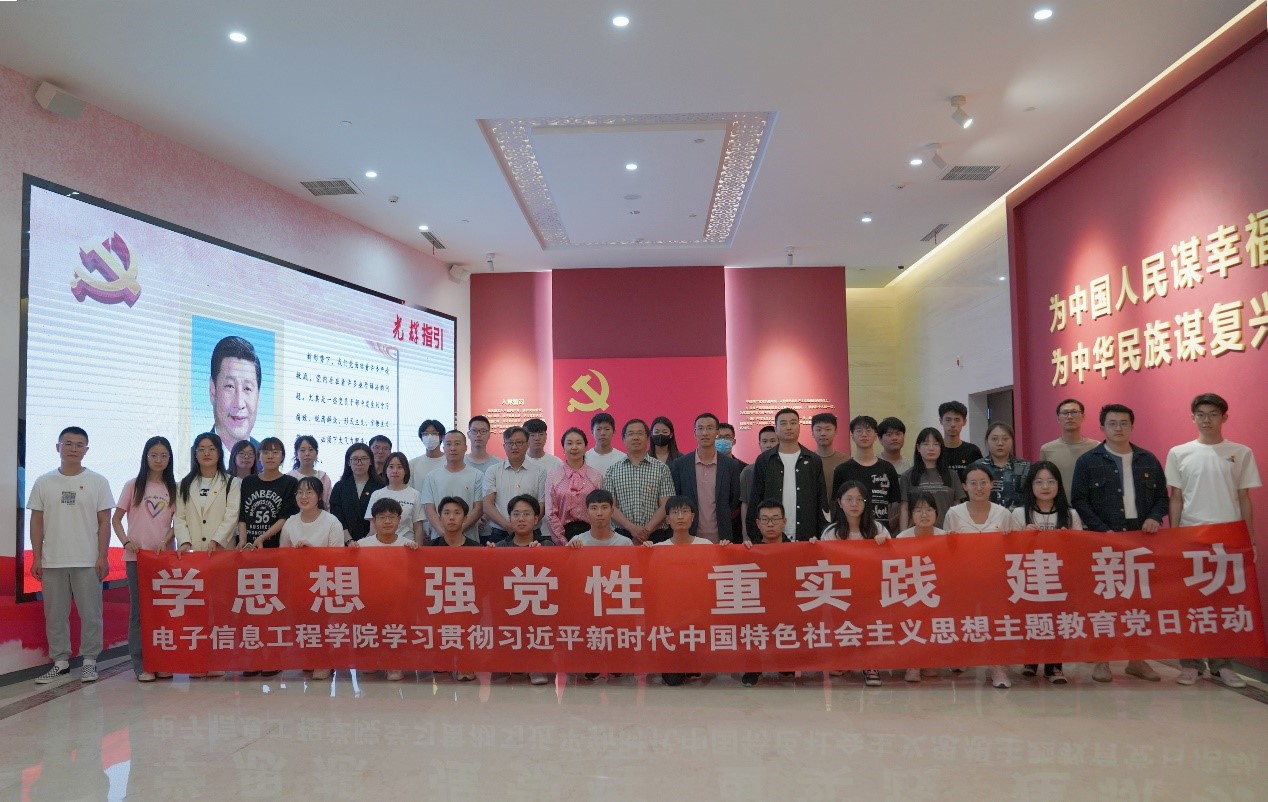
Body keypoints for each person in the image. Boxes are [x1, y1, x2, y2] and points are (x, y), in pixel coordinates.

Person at [1166, 392, 1261, 689]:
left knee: (1225, 604)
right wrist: (1175, 537)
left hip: (1229, 538)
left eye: (1213, 414)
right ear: (1193, 418)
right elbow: (1176, 498)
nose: (1206, 420)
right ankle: (1190, 664)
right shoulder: (1179, 453)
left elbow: (1244, 498)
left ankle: (1223, 666)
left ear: (1224, 417)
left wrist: (1250, 540)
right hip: (1192, 537)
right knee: (1191, 603)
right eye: (1201, 415)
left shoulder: (1240, 452)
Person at [1069, 403, 1167, 684]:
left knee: (1139, 602)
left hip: (1140, 538)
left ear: (1132, 426)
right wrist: (1103, 530)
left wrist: (1155, 517)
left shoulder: (1147, 459)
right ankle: (1102, 659)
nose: (1118, 428)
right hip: (1103, 541)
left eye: (1124, 423)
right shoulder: (1088, 461)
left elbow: (1162, 497)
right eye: (1112, 423)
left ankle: (1138, 660)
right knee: (1105, 602)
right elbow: (1079, 500)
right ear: (1102, 427)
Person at [29, 426, 114, 684]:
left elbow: (104, 522)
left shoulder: (98, 481)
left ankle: (89, 662)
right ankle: (61, 662)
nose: (73, 449)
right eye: (68, 444)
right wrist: (37, 557)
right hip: (52, 560)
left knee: (91, 614)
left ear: (86, 450)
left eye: (79, 445)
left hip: (87, 560)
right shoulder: (44, 481)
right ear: (58, 447)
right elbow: (36, 522)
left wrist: (102, 556)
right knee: (55, 614)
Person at [111, 436, 177, 682]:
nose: (158, 460)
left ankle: (162, 661)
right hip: (136, 558)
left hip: (163, 560)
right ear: (145, 457)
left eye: (163, 455)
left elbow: (178, 523)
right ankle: (142, 665)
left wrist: (166, 540)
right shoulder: (133, 485)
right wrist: (126, 542)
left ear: (169, 459)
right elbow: (116, 519)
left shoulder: (174, 488)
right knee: (139, 612)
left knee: (163, 612)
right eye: (153, 455)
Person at [1011, 462, 1082, 685]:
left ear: (1059, 485)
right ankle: (1030, 661)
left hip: (1059, 578)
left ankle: (1054, 666)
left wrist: (1068, 539)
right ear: (1030, 485)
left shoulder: (1070, 514)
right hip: (1029, 577)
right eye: (1039, 482)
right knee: (1032, 619)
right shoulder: (1019, 513)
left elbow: (1080, 548)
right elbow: (1010, 550)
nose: (1045, 487)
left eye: (1051, 481)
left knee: (1057, 620)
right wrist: (1023, 536)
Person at [943, 463, 1013, 689]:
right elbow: (946, 549)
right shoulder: (954, 513)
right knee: (964, 619)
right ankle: (962, 657)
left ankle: (997, 667)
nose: (979, 487)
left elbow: (1014, 547)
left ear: (992, 485)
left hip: (996, 580)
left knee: (995, 623)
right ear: (964, 486)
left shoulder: (1003, 514)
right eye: (973, 483)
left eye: (983, 482)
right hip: (963, 580)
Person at [351, 497, 418, 682]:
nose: (387, 521)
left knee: (396, 624)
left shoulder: (408, 545)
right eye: (382, 517)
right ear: (374, 520)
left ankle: (394, 662)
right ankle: (371, 658)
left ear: (399, 520)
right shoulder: (361, 545)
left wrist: (414, 554)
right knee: (367, 669)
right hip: (369, 602)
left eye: (392, 517)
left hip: (398, 603)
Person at [646, 496, 711, 687]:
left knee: (696, 668)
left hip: (697, 617)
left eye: (685, 512)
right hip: (669, 620)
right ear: (667, 519)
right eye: (675, 513)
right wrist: (645, 554)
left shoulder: (706, 546)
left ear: (693, 517)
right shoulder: (657, 549)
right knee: (673, 680)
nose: (680, 517)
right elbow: (651, 587)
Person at [746, 409, 828, 541]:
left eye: (793, 423)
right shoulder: (765, 460)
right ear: (776, 429)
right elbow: (755, 499)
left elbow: (821, 500)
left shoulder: (813, 460)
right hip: (772, 538)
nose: (789, 427)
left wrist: (822, 534)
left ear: (799, 427)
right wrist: (756, 537)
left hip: (807, 537)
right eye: (783, 423)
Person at [737, 499, 792, 687]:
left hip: (787, 607)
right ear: (758, 523)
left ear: (784, 522)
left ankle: (786, 660)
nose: (770, 524)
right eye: (765, 519)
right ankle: (753, 667)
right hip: (758, 607)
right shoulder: (749, 551)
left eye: (775, 519)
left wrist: (813, 546)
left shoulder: (798, 549)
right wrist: (726, 547)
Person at [669, 412, 742, 543]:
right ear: (694, 433)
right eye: (700, 428)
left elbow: (733, 499)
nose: (705, 433)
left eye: (709, 428)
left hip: (722, 537)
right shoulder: (680, 464)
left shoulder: (731, 465)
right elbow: (676, 497)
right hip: (689, 535)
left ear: (717, 433)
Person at [605, 419, 675, 543]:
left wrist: (646, 531)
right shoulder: (612, 471)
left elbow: (666, 504)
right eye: (631, 434)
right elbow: (610, 506)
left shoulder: (662, 469)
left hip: (655, 535)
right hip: (621, 535)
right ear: (623, 439)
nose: (635, 437)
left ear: (648, 438)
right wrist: (632, 528)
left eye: (640, 433)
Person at [832, 416, 901, 534]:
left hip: (881, 532)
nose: (864, 435)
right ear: (852, 436)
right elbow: (837, 505)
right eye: (859, 431)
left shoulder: (887, 468)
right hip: (850, 533)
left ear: (875, 435)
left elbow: (894, 505)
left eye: (868, 431)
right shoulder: (842, 470)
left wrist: (887, 528)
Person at [175, 432, 241, 553]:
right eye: (201, 449)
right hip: (192, 550)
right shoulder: (184, 484)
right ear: (195, 454)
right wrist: (184, 542)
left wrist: (217, 540)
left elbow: (232, 515)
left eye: (211, 449)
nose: (206, 453)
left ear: (219, 453)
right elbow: (179, 518)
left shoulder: (231, 483)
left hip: (221, 550)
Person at [481, 426, 548, 544]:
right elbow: (487, 505)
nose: (514, 447)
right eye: (510, 443)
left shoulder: (540, 471)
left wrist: (526, 527)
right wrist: (508, 526)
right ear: (504, 446)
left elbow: (542, 504)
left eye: (519, 443)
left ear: (527, 445)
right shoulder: (493, 471)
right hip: (500, 533)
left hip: (531, 534)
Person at [544, 427, 604, 545]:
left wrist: (595, 537)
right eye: (569, 443)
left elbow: (601, 509)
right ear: (563, 447)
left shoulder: (596, 476)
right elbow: (550, 513)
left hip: (592, 535)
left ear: (585, 447)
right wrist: (563, 541)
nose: (574, 447)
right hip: (562, 535)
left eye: (579, 443)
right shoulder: (554, 476)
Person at [420, 431, 483, 542]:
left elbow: (478, 508)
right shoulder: (431, 477)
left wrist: (457, 532)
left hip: (469, 541)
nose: (453, 448)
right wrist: (444, 532)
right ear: (443, 448)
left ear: (465, 448)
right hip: (440, 539)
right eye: (448, 444)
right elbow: (429, 509)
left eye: (457, 444)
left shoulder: (477, 475)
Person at [238, 437, 298, 550]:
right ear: (259, 456)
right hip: (249, 546)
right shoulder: (248, 481)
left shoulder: (290, 483)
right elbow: (242, 515)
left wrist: (263, 537)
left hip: (277, 546)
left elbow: (285, 517)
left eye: (275, 452)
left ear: (282, 457)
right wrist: (242, 540)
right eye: (265, 452)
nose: (270, 456)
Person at [898, 428, 964, 530]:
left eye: (936, 444)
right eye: (926, 444)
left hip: (947, 531)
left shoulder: (952, 475)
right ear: (918, 447)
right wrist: (903, 534)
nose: (931, 448)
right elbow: (904, 509)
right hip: (918, 533)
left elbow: (958, 507)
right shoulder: (907, 476)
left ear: (941, 448)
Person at [208, 335, 261, 453]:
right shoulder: (189, 458)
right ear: (212, 390)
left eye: (247, 388)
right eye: (230, 386)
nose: (239, 403)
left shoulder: (268, 460)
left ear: (258, 397)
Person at [1039, 399, 1099, 502]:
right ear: (1058, 418)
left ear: (1083, 417)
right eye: (1065, 413)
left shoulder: (1096, 447)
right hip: (1059, 506)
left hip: (1090, 506)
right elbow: (1043, 481)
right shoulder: (1047, 449)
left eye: (1074, 412)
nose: (1070, 417)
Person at [329, 443, 384, 544]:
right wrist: (349, 540)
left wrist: (365, 542)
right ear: (348, 462)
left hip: (375, 542)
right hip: (346, 542)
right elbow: (337, 516)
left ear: (370, 461)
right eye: (355, 459)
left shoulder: (380, 486)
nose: (359, 463)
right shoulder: (340, 487)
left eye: (364, 458)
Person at [364, 452, 423, 542]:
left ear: (406, 471)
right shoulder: (377, 494)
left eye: (399, 467)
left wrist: (418, 548)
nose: (395, 471)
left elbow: (418, 527)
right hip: (381, 545)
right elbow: (373, 526)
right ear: (385, 470)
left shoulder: (415, 494)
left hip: (407, 545)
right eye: (391, 467)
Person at [971, 422, 1030, 510]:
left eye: (1005, 439)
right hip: (986, 516)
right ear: (987, 441)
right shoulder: (977, 467)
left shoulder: (1024, 466)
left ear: (1012, 441)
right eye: (994, 439)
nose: (1000, 443)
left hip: (1016, 516)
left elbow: (1030, 495)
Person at [279, 476, 343, 548]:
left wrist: (312, 550)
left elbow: (337, 554)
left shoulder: (332, 523)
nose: (303, 496)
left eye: (309, 492)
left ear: (320, 496)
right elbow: (283, 552)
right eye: (300, 492)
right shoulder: (290, 522)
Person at [739, 425, 779, 539]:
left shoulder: (786, 469)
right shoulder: (748, 471)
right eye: (764, 441)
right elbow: (745, 504)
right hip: (756, 530)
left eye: (773, 441)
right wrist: (745, 534)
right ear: (759, 444)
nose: (768, 445)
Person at [566, 489, 634, 547]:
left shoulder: (625, 543)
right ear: (587, 512)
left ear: (612, 511)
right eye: (594, 508)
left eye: (604, 507)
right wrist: (570, 550)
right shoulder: (577, 542)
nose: (599, 513)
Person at [938, 401, 983, 483]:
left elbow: (979, 478)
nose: (952, 424)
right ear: (941, 421)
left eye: (957, 420)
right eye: (948, 420)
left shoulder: (973, 451)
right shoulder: (935, 450)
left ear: (964, 422)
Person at [288, 435, 332, 506]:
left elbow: (328, 505)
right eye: (302, 450)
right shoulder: (289, 477)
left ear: (316, 453)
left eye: (311, 450)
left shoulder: (324, 478)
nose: (307, 454)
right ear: (296, 454)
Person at [811, 413, 847, 497]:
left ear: (836, 432)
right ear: (812, 433)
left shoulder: (846, 461)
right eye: (818, 430)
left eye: (828, 429)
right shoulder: (807, 460)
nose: (823, 433)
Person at [408, 419, 447, 493]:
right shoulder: (412, 464)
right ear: (421, 438)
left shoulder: (449, 461)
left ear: (442, 437)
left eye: (434, 433)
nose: (429, 437)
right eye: (425, 434)